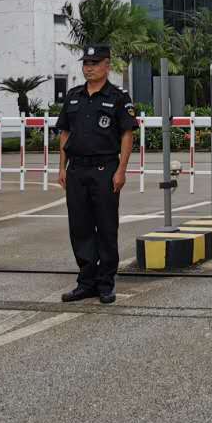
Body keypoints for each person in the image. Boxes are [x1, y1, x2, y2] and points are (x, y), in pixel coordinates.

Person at [55, 44, 138, 303]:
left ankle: (105, 283)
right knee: (79, 227)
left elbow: (127, 135)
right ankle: (86, 282)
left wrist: (121, 170)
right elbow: (65, 133)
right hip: (77, 170)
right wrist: (62, 167)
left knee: (106, 226)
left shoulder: (118, 97)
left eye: (95, 63)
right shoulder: (73, 96)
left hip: (104, 169)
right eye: (86, 63)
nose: (89, 68)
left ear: (107, 65)